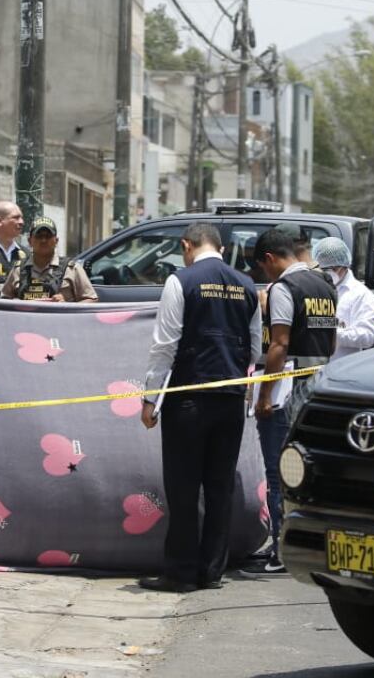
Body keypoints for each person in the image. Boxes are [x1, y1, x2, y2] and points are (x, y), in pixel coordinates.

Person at [138, 223, 261, 592]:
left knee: (183, 488)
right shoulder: (248, 285)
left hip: (189, 398)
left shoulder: (182, 280)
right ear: (221, 248)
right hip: (230, 400)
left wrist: (150, 398)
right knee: (219, 487)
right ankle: (211, 571)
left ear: (186, 245)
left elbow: (165, 346)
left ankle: (180, 573)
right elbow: (254, 348)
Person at [246, 228, 337, 575]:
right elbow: (330, 343)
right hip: (318, 389)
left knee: (278, 471)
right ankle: (302, 544)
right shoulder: (324, 285)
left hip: (286, 393)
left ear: (270, 259)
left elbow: (279, 345)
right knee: (307, 470)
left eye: (263, 268)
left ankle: (281, 550)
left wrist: (264, 394)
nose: (265, 275)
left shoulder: (285, 288)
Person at [312, 237, 374, 360]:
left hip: (339, 368)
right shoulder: (312, 286)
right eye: (324, 269)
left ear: (345, 265)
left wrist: (330, 333)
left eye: (334, 269)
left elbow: (367, 337)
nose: (329, 273)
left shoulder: (361, 295)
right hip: (310, 367)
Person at [1, 217, 97, 302]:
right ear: (30, 241)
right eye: (39, 236)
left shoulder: (72, 269)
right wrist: (16, 303)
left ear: (56, 241)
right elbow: (4, 301)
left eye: (48, 236)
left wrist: (66, 306)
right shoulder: (18, 269)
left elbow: (91, 299)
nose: (43, 240)